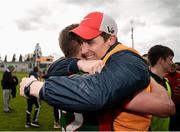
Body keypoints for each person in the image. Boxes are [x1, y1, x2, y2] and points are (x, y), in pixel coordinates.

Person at [20, 12, 175, 130]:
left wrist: (36, 86)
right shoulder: (91, 63)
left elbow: (98, 94)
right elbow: (167, 106)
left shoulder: (126, 59)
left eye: (90, 42)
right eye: (82, 42)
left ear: (111, 39)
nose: (84, 49)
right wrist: (79, 64)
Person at [147, 45, 174, 131]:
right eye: (170, 59)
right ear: (161, 60)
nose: (172, 63)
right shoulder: (145, 82)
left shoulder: (166, 81)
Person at [165, 63, 180, 130]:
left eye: (173, 67)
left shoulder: (179, 75)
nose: (172, 69)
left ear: (175, 68)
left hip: (178, 101)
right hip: (169, 101)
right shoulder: (165, 76)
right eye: (170, 67)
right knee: (171, 119)